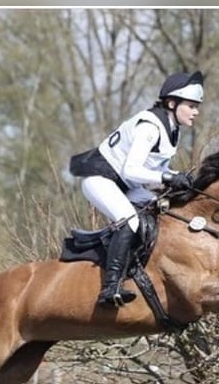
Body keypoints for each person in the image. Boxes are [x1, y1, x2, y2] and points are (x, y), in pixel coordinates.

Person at [68, 70, 204, 307]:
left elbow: (149, 175)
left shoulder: (172, 129)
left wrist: (173, 183)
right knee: (129, 220)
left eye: (196, 106)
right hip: (101, 179)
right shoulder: (150, 126)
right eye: (191, 106)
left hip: (126, 184)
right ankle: (110, 287)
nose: (196, 112)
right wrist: (168, 177)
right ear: (172, 103)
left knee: (162, 213)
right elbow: (132, 169)